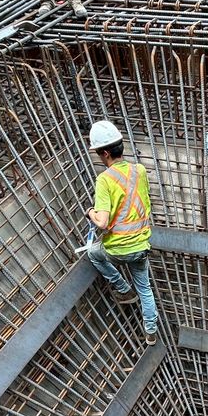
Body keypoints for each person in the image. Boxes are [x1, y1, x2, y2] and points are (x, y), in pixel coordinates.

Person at [86, 120, 159, 346]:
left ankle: (122, 288)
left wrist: (90, 212)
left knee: (93, 254)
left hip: (117, 249)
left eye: (99, 153)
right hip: (142, 245)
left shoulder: (104, 179)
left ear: (106, 152)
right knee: (145, 288)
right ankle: (151, 332)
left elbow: (103, 222)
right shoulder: (140, 170)